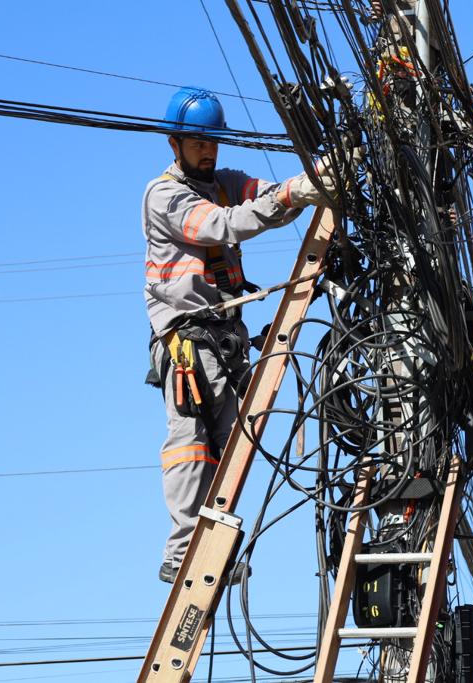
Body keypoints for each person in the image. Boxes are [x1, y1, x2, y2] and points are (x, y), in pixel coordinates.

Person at [142, 87, 334, 583]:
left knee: (231, 446)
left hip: (226, 334)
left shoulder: (225, 181)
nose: (209, 151)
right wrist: (297, 194)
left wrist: (317, 181)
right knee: (191, 440)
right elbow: (221, 227)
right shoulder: (164, 194)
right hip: (186, 337)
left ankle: (213, 549)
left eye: (213, 143)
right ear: (175, 143)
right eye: (198, 142)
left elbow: (271, 197)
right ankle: (182, 549)